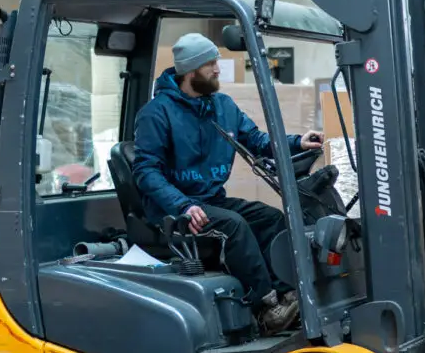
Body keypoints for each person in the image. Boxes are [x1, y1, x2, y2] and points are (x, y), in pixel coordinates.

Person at [132, 32, 323, 334]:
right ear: (191, 72)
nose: (218, 70)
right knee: (233, 225)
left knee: (270, 218)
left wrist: (298, 142)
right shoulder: (157, 114)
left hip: (210, 200)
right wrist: (183, 204)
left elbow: (257, 141)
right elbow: (146, 172)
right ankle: (265, 307)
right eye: (210, 64)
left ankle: (287, 295)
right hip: (176, 208)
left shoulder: (222, 106)